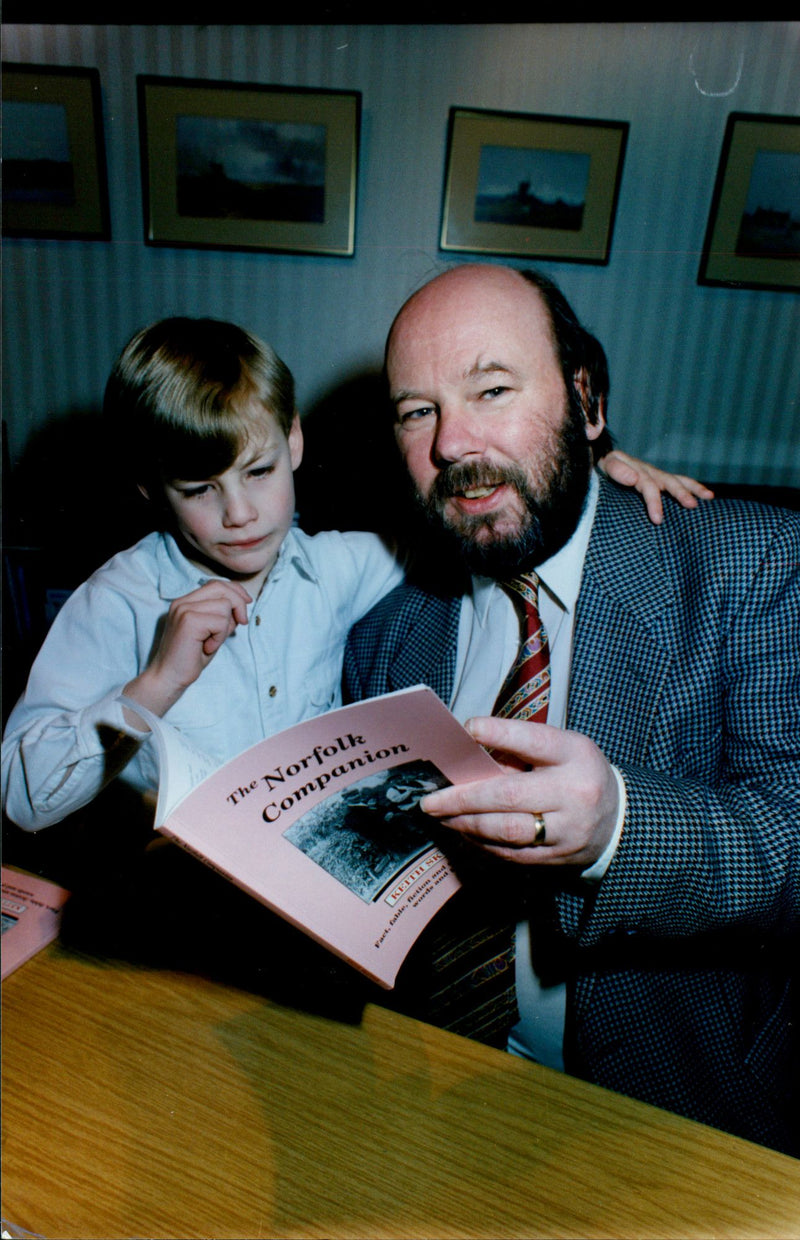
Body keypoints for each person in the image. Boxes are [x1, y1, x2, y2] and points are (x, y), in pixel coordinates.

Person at [343, 262, 799, 1155]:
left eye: (492, 389)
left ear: (587, 401)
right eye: (418, 411)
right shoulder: (385, 638)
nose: (452, 443)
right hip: (434, 1097)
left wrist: (618, 829)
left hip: (683, 1122)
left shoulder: (752, 566)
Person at [2, 314, 705, 834]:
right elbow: (20, 799)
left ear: (293, 440)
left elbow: (468, 513)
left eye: (258, 471)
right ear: (150, 489)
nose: (240, 514)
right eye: (199, 490)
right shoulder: (116, 601)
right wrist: (153, 686)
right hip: (174, 904)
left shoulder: (338, 565)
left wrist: (597, 461)